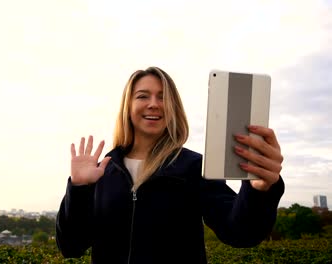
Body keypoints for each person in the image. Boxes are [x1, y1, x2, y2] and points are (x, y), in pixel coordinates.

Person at [56, 66, 284, 263]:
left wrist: (259, 189)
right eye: (143, 96)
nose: (154, 104)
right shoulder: (102, 172)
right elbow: (71, 247)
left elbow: (240, 233)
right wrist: (79, 188)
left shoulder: (194, 167)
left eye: (163, 97)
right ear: (128, 106)